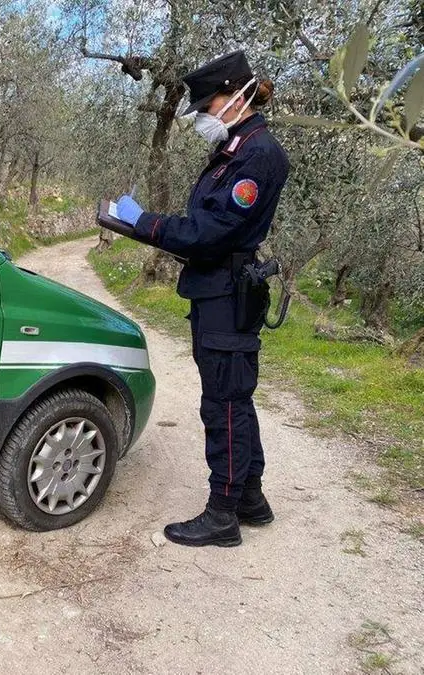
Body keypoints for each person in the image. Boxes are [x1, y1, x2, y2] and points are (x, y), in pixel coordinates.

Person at [114, 50, 290, 547]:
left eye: (208, 107)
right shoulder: (236, 149)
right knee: (233, 397)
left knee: (224, 404)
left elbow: (209, 232)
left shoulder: (257, 154)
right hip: (218, 291)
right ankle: (250, 498)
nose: (204, 118)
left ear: (236, 96)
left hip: (227, 293)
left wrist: (143, 222)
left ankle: (223, 514)